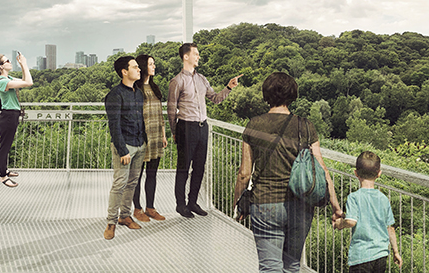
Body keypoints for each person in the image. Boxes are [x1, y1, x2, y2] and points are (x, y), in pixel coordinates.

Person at [233, 72, 343, 272]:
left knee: (270, 267)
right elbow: (321, 170)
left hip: (265, 204)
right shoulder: (306, 126)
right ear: (292, 95)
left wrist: (237, 203)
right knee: (292, 265)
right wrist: (336, 206)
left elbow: (244, 174)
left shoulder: (254, 125)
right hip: (300, 205)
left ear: (266, 95)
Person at [167, 42, 242, 218]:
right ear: (186, 56)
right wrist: (174, 131)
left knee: (199, 167)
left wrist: (229, 87)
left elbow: (215, 99)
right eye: (196, 54)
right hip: (186, 126)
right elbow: (171, 110)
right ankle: (181, 205)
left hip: (202, 127)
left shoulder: (202, 79)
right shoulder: (177, 81)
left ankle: (192, 202)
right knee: (183, 168)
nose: (198, 56)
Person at [333, 151, 402, 273]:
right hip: (381, 255)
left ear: (356, 173)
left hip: (361, 256)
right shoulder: (383, 199)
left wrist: (339, 224)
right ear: (379, 174)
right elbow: (390, 228)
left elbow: (351, 221)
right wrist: (396, 252)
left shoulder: (354, 197)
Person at [103, 56, 146, 240]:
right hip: (125, 146)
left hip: (139, 144)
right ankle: (111, 223)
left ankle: (125, 216)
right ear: (124, 72)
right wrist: (123, 151)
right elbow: (114, 125)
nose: (139, 70)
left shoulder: (138, 93)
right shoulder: (115, 95)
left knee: (132, 183)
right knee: (119, 184)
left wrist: (144, 143)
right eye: (135, 67)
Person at [0, 52, 32, 188]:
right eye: (7, 61)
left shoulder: (9, 78)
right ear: (1, 67)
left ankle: (5, 169)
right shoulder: (3, 82)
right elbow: (29, 82)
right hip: (7, 117)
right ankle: (3, 176)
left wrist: (23, 66)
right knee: (4, 147)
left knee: (7, 145)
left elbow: (25, 80)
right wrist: (24, 63)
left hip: (12, 115)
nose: (10, 62)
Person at [132, 54, 168, 222]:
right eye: (151, 64)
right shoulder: (135, 90)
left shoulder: (155, 88)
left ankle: (150, 208)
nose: (154, 67)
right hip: (141, 138)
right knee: (137, 175)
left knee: (152, 174)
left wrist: (163, 134)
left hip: (155, 138)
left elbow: (160, 115)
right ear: (143, 66)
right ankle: (137, 209)